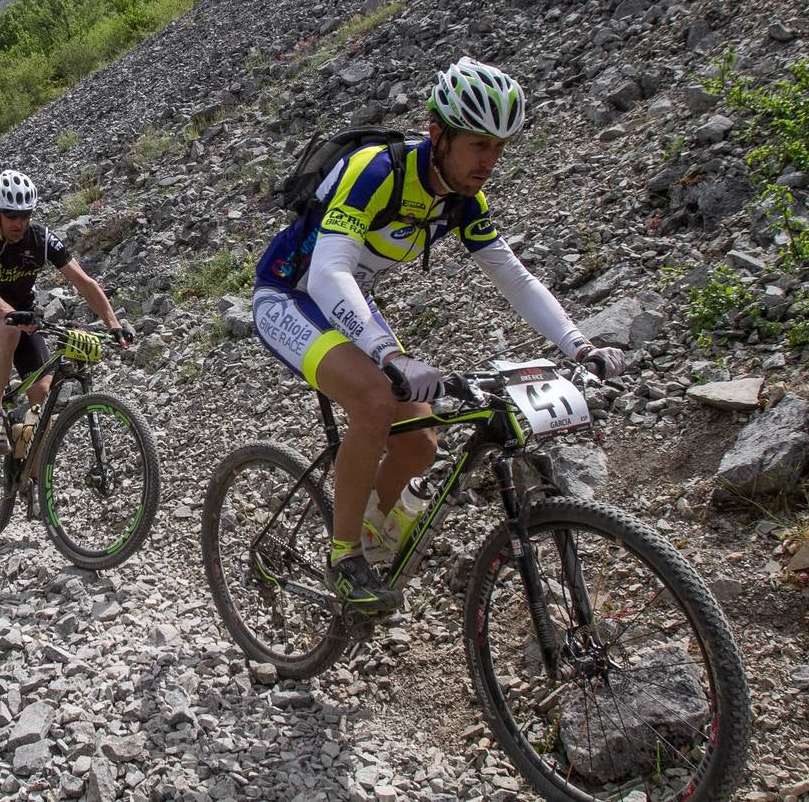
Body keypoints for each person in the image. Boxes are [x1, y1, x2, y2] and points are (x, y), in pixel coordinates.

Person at [252, 57, 627, 614]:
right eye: (478, 145)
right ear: (438, 134)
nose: (489, 161)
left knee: (422, 441)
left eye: (499, 147)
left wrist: (580, 345)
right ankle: (344, 557)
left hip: (346, 304)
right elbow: (329, 271)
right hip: (289, 297)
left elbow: (514, 278)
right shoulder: (376, 171)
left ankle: (376, 534)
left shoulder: (461, 200)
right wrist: (388, 353)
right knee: (377, 398)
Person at [0, 169, 132, 453]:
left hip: (25, 315)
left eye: (25, 214)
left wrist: (114, 324)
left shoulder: (41, 239)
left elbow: (84, 283)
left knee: (41, 403)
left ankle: (30, 485)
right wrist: (10, 313)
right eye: (11, 215)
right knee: (8, 330)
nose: (19, 222)